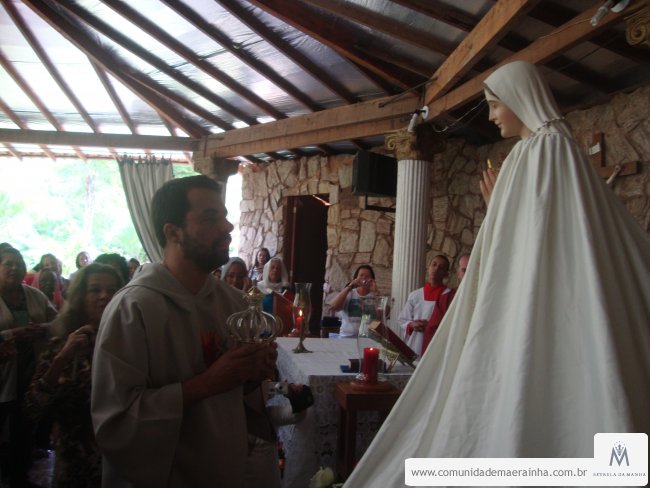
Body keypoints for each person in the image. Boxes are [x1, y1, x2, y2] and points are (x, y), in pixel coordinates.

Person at [343, 61, 650, 487]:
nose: (490, 116)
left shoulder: (540, 149)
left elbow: (534, 235)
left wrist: (499, 206)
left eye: (494, 104)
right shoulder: (554, 148)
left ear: (521, 97)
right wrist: (500, 206)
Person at [91, 175, 277, 487]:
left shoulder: (234, 302)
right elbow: (116, 421)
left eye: (224, 216)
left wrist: (253, 374)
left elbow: (239, 398)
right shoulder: (133, 308)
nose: (228, 226)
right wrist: (207, 383)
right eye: (210, 218)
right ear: (172, 232)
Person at [24, 263, 123, 487]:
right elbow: (32, 408)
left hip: (121, 460)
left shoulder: (130, 342)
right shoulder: (61, 345)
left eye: (112, 290)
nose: (105, 296)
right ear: (80, 296)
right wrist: (63, 357)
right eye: (95, 290)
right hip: (76, 462)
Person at [0, 246, 57, 487]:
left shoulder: (35, 296)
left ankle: (19, 478)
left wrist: (42, 329)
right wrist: (12, 334)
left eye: (19, 263)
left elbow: (58, 322)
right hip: (3, 377)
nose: (15, 268)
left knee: (24, 430)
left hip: (30, 374)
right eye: (8, 264)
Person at [396, 255, 451, 357]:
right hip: (415, 342)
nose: (436, 269)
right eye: (434, 265)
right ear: (428, 268)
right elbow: (402, 319)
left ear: (446, 274)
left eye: (441, 267)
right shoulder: (415, 295)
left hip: (435, 343)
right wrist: (412, 324)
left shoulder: (448, 296)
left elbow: (450, 323)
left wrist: (430, 326)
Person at [421, 252, 470, 355]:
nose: (469, 274)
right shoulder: (447, 298)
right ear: (458, 273)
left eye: (473, 269)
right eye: (464, 270)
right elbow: (432, 331)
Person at [329, 265, 379, 338]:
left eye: (367, 276)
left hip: (369, 338)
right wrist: (349, 287)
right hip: (347, 337)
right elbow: (334, 307)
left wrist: (376, 293)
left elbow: (384, 313)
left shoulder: (375, 296)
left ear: (372, 280)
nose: (364, 278)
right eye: (361, 275)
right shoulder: (349, 293)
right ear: (356, 278)